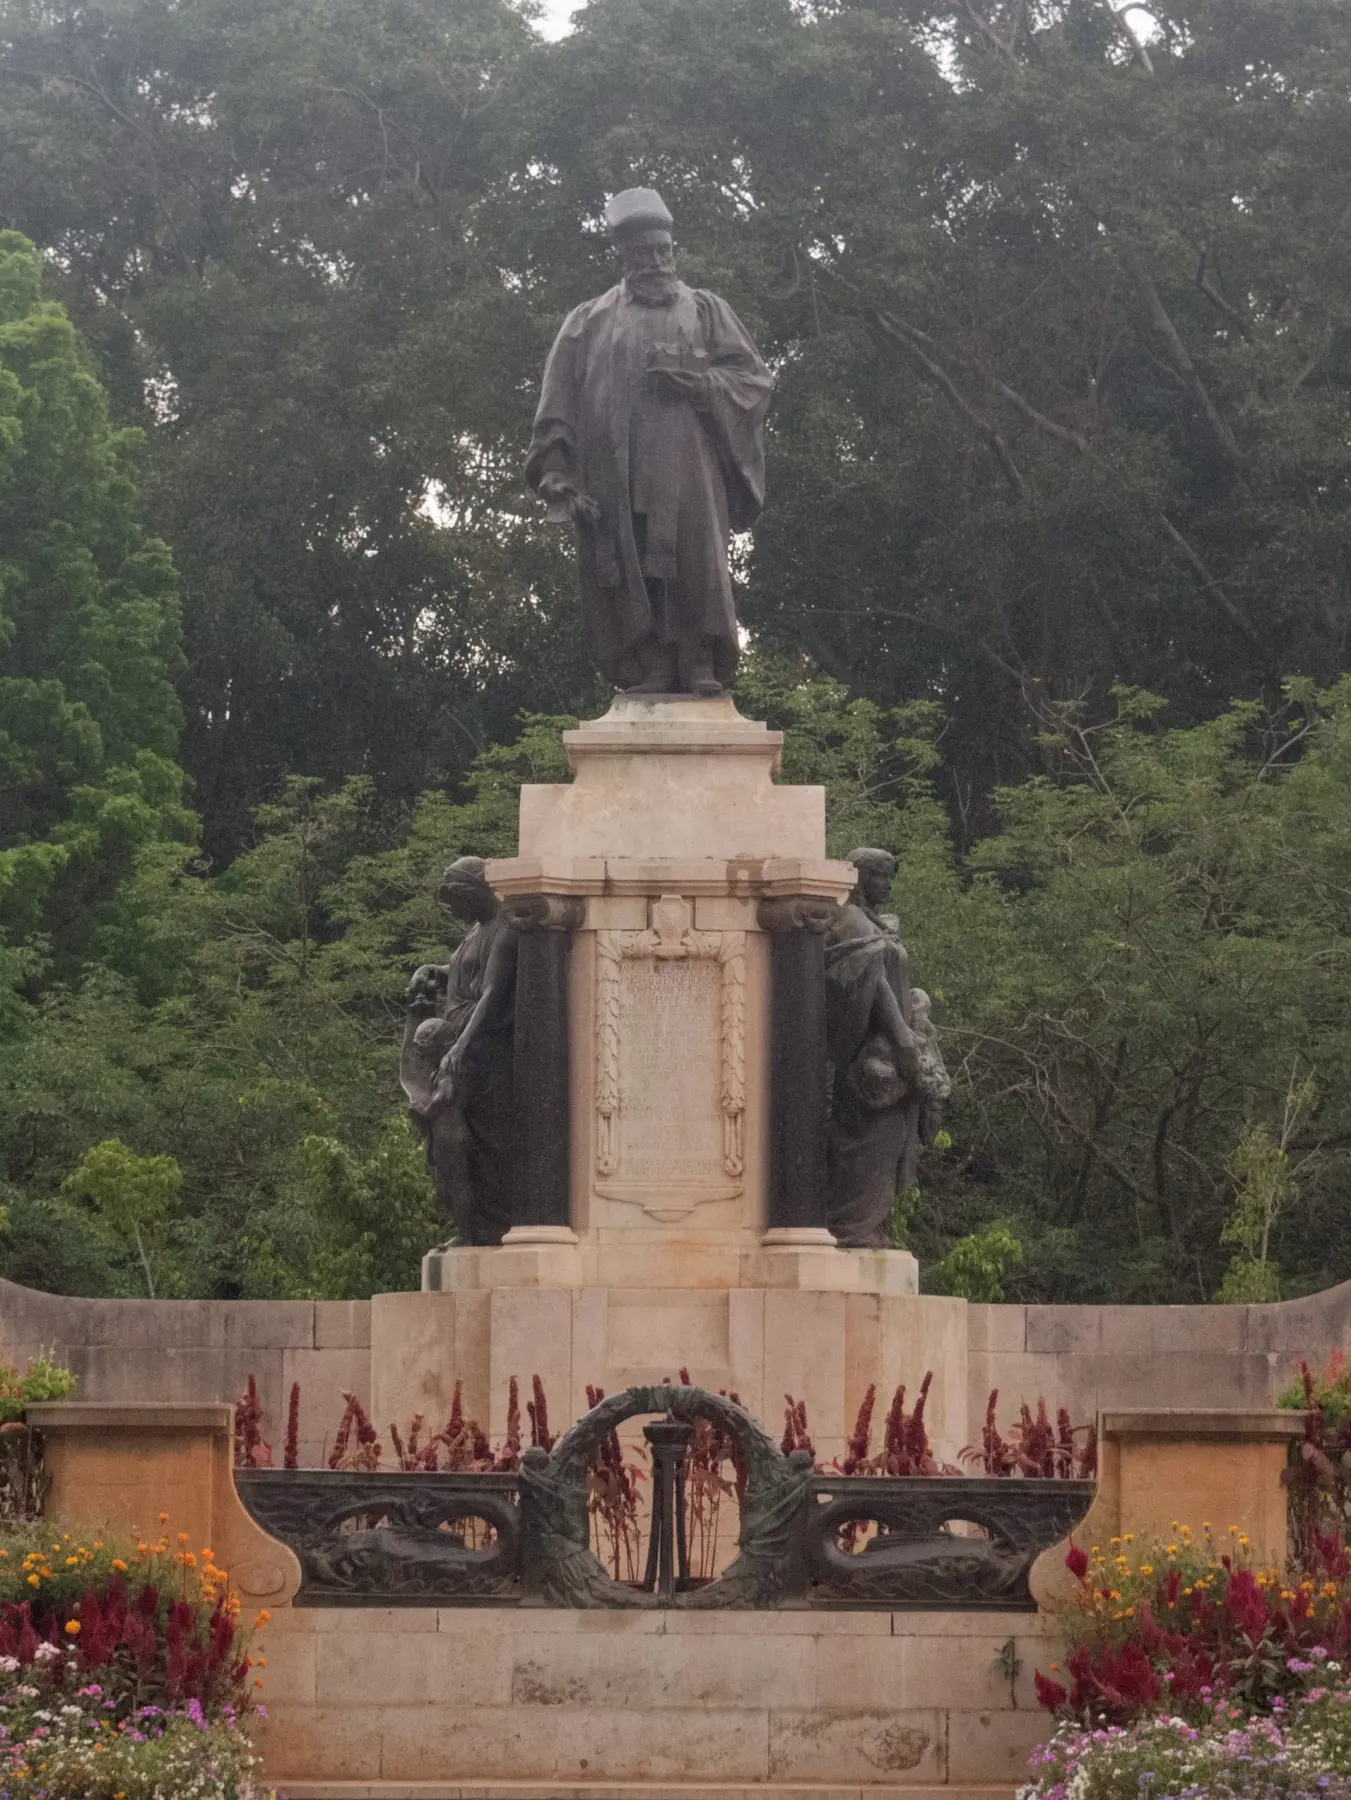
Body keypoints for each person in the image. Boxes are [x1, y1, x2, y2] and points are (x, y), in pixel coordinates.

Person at [525, 186, 773, 696]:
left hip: (689, 466)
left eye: (665, 251)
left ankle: (700, 659)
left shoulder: (706, 310)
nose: (657, 262)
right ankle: (651, 662)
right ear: (625, 256)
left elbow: (751, 379)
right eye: (645, 253)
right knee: (632, 559)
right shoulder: (587, 321)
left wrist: (704, 387)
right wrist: (556, 469)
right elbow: (558, 405)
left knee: (695, 556)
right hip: (618, 467)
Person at [824, 849, 949, 1247]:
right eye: (880, 875)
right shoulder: (849, 920)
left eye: (889, 875)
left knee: (892, 1140)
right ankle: (852, 1228)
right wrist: (901, 1037)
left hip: (890, 1053)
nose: (888, 884)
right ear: (859, 878)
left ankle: (873, 1227)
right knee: (868, 1141)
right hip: (867, 1055)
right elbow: (870, 980)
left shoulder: (880, 924)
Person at [399, 857, 517, 1246]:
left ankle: (485, 1226)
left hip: (481, 1052)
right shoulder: (475, 930)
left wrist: (461, 1046)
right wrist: (431, 970)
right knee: (447, 1144)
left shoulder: (503, 930)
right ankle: (472, 1228)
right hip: (458, 1044)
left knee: (475, 1143)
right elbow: (462, 973)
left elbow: (491, 992)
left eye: (456, 903)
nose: (454, 912)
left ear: (472, 894)